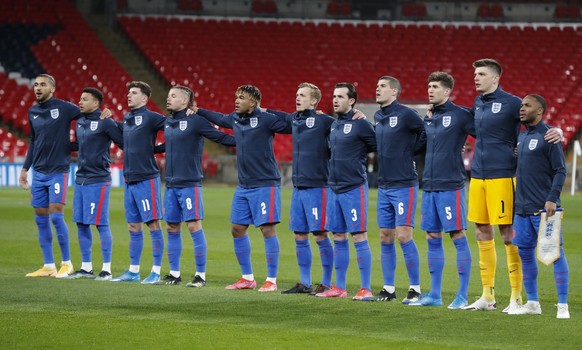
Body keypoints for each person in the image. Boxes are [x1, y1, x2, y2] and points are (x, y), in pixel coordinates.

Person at [464, 59, 562, 312]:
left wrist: (558, 131)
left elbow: (536, 120)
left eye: (482, 74)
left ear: (495, 78)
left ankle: (516, 297)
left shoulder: (511, 103)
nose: (476, 78)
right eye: (475, 74)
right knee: (481, 232)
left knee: (509, 236)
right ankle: (487, 296)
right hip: (477, 176)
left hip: (503, 175)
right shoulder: (477, 103)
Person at [192, 85, 291, 292]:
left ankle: (271, 280)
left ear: (253, 103)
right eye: (236, 96)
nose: (236, 100)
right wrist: (198, 110)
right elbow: (219, 118)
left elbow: (292, 124)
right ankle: (247, 278)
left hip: (266, 183)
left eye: (242, 98)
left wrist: (310, 118)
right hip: (244, 185)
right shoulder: (234, 118)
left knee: (267, 229)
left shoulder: (266, 120)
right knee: (237, 228)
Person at [155, 85, 235, 286]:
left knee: (193, 225)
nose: (168, 98)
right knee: (172, 226)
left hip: (189, 183)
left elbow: (220, 137)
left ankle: (200, 276)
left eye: (173, 96)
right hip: (171, 184)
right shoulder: (168, 122)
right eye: (168, 95)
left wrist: (247, 140)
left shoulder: (196, 120)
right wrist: (150, 149)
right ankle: (174, 274)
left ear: (185, 101)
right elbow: (170, 146)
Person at [263, 83, 336, 295]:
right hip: (298, 187)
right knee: (299, 235)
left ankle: (327, 282)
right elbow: (282, 115)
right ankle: (304, 282)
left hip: (318, 187)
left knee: (320, 234)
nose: (297, 98)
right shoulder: (295, 119)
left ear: (314, 101)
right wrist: (262, 110)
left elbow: (345, 126)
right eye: (296, 94)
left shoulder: (324, 121)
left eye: (302, 95)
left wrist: (356, 115)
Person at [410, 72, 474, 308]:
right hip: (429, 186)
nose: (430, 90)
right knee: (431, 236)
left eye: (435, 86)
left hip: (451, 185)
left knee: (457, 235)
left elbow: (488, 132)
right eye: (429, 86)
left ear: (447, 91)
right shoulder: (429, 118)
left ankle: (463, 295)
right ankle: (435, 295)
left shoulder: (461, 115)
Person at [315, 82, 377, 300]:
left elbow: (380, 145)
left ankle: (365, 288)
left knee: (359, 236)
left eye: (340, 96)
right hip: (334, 189)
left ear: (351, 101)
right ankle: (339, 287)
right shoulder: (333, 125)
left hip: (354, 188)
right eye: (334, 96)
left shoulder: (361, 124)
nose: (335, 100)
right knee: (338, 236)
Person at [509, 94, 569, 318]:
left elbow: (560, 170)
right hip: (522, 209)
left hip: (545, 209)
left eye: (527, 105)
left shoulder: (550, 136)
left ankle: (563, 305)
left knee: (554, 254)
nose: (522, 108)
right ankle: (533, 303)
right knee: (525, 254)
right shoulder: (522, 137)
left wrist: (552, 198)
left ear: (540, 110)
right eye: (522, 105)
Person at [365, 76, 424, 303]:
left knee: (403, 235)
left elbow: (425, 133)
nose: (377, 89)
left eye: (381, 87)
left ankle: (415, 288)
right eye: (377, 85)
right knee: (385, 235)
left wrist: (409, 153)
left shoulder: (406, 114)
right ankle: (389, 289)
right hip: (385, 184)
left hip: (404, 184)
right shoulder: (379, 116)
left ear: (394, 91)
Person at [20, 74, 80, 278]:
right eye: (35, 84)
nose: (38, 87)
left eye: (42, 85)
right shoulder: (33, 111)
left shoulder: (65, 108)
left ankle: (67, 263)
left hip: (58, 171)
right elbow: (34, 141)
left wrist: (75, 145)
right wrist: (25, 168)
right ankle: (48, 265)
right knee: (40, 217)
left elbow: (88, 117)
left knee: (56, 214)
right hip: (39, 172)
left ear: (52, 89)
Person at [111, 81, 166, 284]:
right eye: (128, 92)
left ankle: (155, 271)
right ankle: (133, 271)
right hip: (130, 179)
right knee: (133, 226)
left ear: (144, 98)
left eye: (134, 93)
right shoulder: (127, 118)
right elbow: (126, 141)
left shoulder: (152, 117)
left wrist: (159, 150)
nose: (129, 95)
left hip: (146, 179)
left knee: (152, 224)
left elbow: (175, 128)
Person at [67, 87, 124, 281]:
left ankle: (106, 269)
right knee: (81, 223)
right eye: (80, 99)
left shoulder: (105, 122)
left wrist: (114, 120)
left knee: (101, 223)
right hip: (80, 179)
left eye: (84, 99)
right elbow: (77, 145)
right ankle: (86, 268)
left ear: (96, 103)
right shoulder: (80, 122)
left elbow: (123, 141)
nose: (80, 102)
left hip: (98, 179)